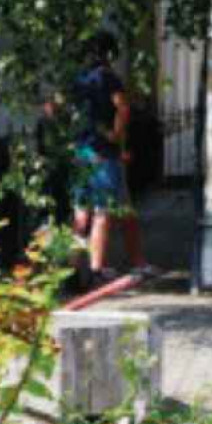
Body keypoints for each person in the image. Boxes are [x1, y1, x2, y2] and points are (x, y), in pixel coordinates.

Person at [70, 35, 152, 290]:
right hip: (104, 153)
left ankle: (73, 271)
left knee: (83, 214)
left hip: (80, 152)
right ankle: (95, 270)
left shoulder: (78, 79)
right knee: (103, 213)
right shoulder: (108, 77)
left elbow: (60, 110)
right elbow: (123, 107)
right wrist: (115, 135)